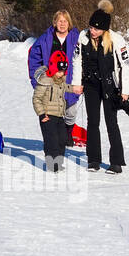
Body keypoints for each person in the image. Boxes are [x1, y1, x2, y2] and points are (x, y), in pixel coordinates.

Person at [70, 0, 129, 174]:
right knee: (93, 122)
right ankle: (93, 160)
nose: (92, 31)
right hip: (91, 85)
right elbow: (77, 60)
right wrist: (77, 83)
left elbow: (125, 66)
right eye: (91, 27)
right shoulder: (83, 37)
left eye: (96, 29)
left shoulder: (116, 40)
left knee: (111, 122)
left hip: (109, 85)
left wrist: (125, 91)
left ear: (104, 29)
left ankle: (116, 162)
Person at [29, 10, 81, 171]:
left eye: (65, 20)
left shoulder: (77, 38)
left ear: (69, 23)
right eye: (59, 20)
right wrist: (37, 78)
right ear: (55, 22)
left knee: (70, 113)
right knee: (51, 125)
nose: (62, 23)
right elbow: (34, 58)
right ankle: (53, 159)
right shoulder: (46, 38)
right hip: (51, 84)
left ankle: (65, 135)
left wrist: (80, 81)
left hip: (69, 81)